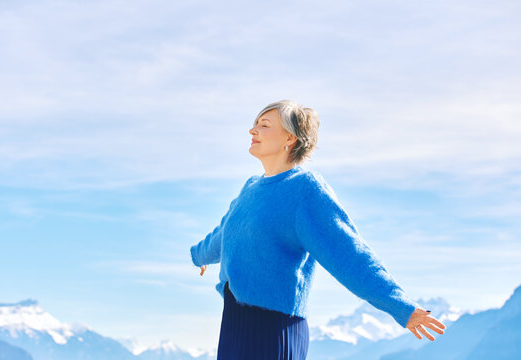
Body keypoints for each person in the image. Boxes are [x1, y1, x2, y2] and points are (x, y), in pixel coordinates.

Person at [190, 100, 446, 359]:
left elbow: (349, 254)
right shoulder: (250, 189)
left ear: (289, 138)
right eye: (255, 124)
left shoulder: (305, 190)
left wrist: (400, 306)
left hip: (273, 330)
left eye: (264, 125)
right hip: (234, 326)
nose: (252, 130)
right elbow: (222, 237)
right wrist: (198, 257)